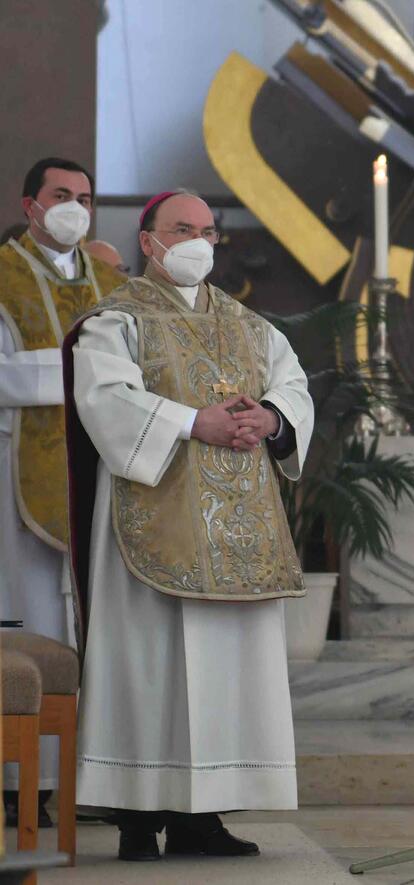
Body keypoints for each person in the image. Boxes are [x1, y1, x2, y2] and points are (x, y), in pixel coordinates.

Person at [63, 190, 313, 862]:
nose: (198, 241)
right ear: (148, 240)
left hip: (236, 531)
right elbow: (105, 397)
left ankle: (205, 816)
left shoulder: (248, 323)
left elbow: (292, 383)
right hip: (153, 520)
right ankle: (139, 819)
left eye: (207, 230)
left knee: (225, 671)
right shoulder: (117, 319)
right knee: (149, 667)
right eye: (183, 229)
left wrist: (271, 417)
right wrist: (189, 420)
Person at [0, 157, 124, 826]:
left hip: (101, 472)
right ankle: (24, 782)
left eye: (83, 196)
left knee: (97, 626)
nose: (73, 206)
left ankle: (93, 777)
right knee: (27, 618)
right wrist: (82, 373)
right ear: (30, 205)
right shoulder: (3, 275)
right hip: (18, 471)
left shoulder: (109, 279)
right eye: (60, 195)